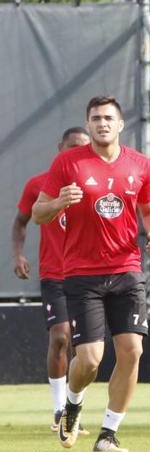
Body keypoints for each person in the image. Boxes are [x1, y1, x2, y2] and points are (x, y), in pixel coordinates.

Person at [33, 96, 150, 452]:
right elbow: (38, 211)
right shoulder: (67, 163)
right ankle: (73, 404)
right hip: (82, 275)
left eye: (108, 118)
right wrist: (59, 201)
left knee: (132, 349)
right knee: (89, 359)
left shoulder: (140, 165)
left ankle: (109, 432)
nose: (102, 123)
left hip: (127, 271)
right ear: (88, 125)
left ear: (121, 124)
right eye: (95, 118)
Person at [11, 127, 90, 434]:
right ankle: (59, 409)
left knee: (84, 348)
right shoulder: (39, 184)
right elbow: (20, 222)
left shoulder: (97, 182)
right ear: (60, 148)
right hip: (55, 273)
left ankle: (73, 405)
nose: (78, 153)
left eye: (84, 147)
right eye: (72, 147)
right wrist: (17, 254)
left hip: (88, 275)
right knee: (60, 337)